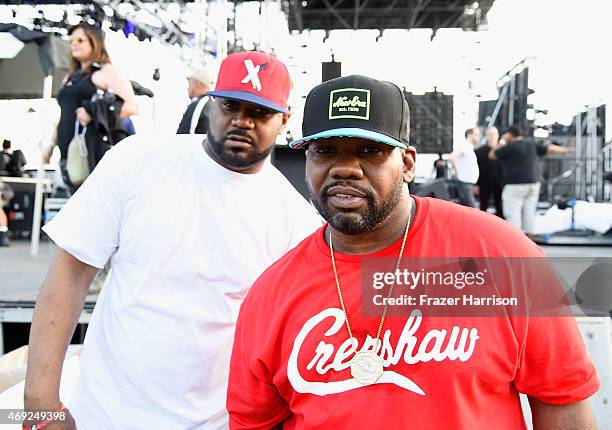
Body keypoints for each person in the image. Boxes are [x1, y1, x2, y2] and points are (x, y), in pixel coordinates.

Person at [227, 75, 599, 429]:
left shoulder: (501, 255)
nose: (345, 168)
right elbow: (254, 422)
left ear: (406, 164)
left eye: (370, 150)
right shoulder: (271, 294)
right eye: (324, 150)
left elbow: (561, 397)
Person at [24, 51, 321, 430]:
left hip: (216, 422)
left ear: (284, 120)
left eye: (260, 112)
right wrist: (39, 406)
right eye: (230, 105)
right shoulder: (136, 161)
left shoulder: (295, 220)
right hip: (103, 414)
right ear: (209, 103)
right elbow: (70, 271)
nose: (242, 121)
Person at [55, 23, 137, 189]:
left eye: (80, 40)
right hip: (69, 152)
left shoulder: (107, 71)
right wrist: (50, 144)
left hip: (94, 151)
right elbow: (63, 113)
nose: (74, 44)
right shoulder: (70, 76)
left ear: (94, 42)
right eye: (71, 41)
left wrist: (93, 112)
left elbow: (131, 107)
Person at [489, 125, 575, 234]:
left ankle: (515, 238)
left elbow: (492, 155)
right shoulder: (531, 144)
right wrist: (567, 150)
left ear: (509, 134)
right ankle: (530, 236)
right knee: (529, 211)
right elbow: (550, 148)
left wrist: (502, 141)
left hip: (515, 184)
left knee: (512, 211)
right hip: (533, 183)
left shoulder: (509, 147)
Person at [475, 127, 504, 217]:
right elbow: (477, 168)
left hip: (500, 182)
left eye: (494, 134)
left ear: (498, 135)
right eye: (490, 134)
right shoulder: (479, 151)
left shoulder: (503, 150)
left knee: (500, 206)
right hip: (484, 182)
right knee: (483, 206)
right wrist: (476, 184)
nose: (492, 136)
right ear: (487, 136)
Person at [177, 68, 215, 134]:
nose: (188, 88)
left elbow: (184, 136)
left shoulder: (199, 105)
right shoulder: (213, 105)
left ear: (197, 83)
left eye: (189, 83)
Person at [449, 128, 480, 207]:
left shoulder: (468, 147)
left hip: (467, 183)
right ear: (470, 135)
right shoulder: (465, 146)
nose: (478, 137)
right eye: (476, 135)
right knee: (473, 209)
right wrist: (455, 172)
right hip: (464, 182)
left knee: (469, 208)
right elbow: (452, 157)